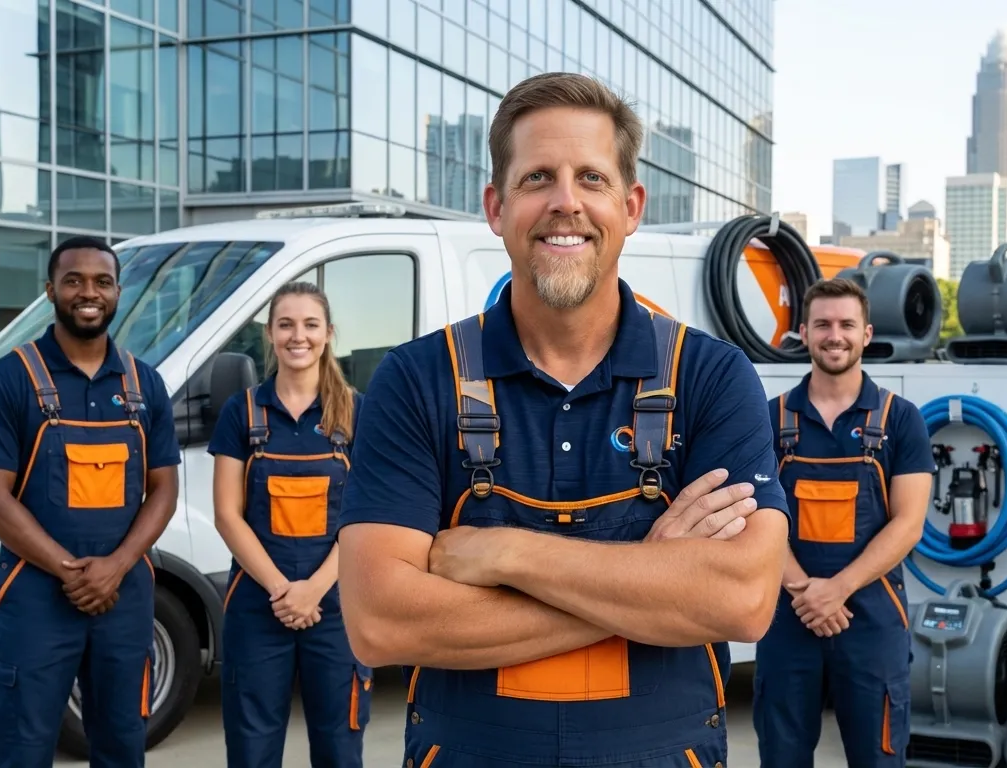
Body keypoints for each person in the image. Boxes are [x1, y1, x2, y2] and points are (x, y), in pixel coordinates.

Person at [335, 71, 791, 767]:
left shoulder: (711, 377)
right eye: (538, 178)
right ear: (496, 207)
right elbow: (380, 622)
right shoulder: (417, 380)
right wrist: (653, 579)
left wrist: (505, 555)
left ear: (631, 207)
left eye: (592, 179)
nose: (565, 202)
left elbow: (743, 600)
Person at [0, 235, 181, 768]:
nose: (89, 292)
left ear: (118, 292)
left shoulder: (144, 385)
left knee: (123, 744)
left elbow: (164, 489)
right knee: (22, 747)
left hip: (123, 597)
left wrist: (116, 567)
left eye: (102, 282)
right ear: (50, 291)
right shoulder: (8, 379)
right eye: (74, 280)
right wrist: (74, 573)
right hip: (35, 596)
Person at [753, 277, 935, 767]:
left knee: (878, 757)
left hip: (871, 622)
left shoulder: (901, 420)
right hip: (788, 618)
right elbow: (755, 517)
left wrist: (837, 589)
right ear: (805, 333)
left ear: (866, 334)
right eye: (823, 325)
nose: (835, 336)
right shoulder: (769, 419)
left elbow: (909, 524)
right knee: (781, 757)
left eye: (847, 325)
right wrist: (805, 591)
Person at [207, 281, 370, 766]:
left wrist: (313, 590)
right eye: (286, 325)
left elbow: (367, 519)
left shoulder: (357, 412)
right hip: (259, 606)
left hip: (336, 608)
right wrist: (283, 591)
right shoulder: (243, 413)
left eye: (310, 325)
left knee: (339, 748)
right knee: (252, 749)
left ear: (329, 333)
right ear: (270, 334)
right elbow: (226, 515)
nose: (298, 336)